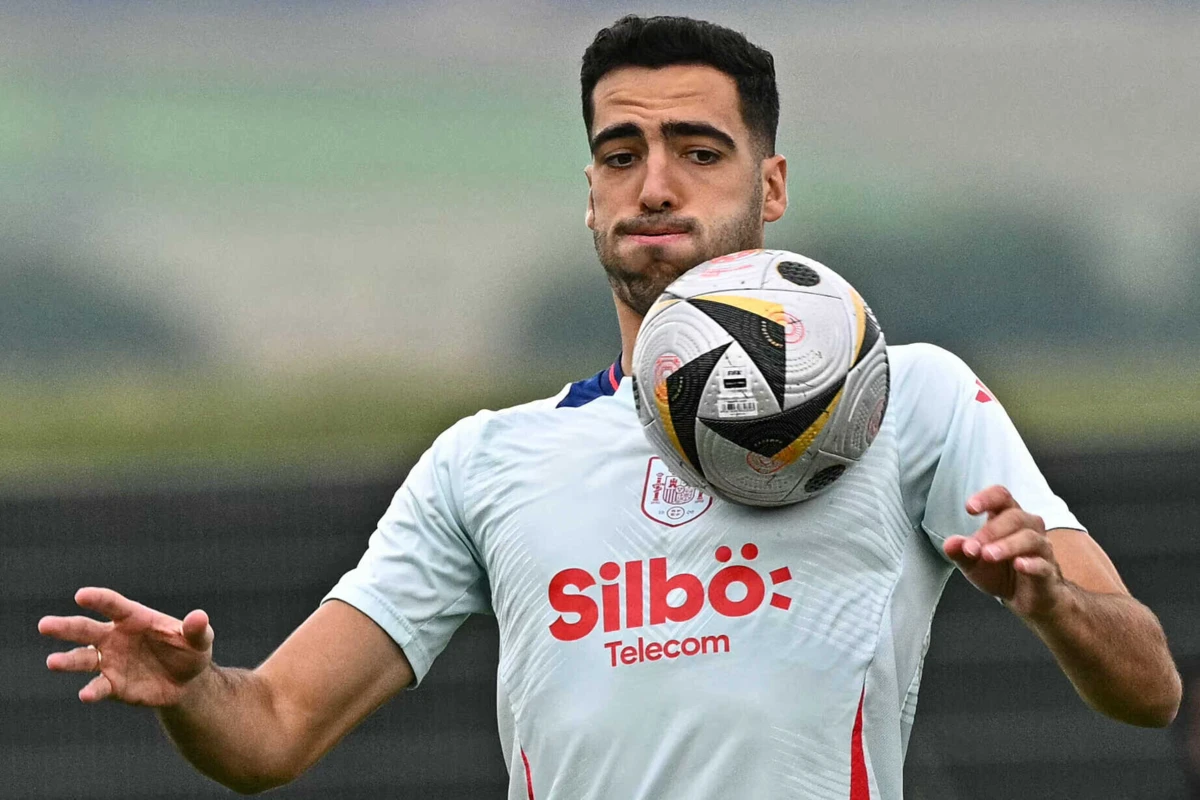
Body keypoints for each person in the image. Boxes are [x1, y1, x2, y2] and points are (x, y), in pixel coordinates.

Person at [38, 15, 1180, 799]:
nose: (656, 182)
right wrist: (191, 691)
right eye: (621, 151)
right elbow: (273, 728)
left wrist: (1053, 602)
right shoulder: (485, 462)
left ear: (771, 185)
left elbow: (1150, 686)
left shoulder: (898, 395)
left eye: (698, 149)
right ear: (590, 195)